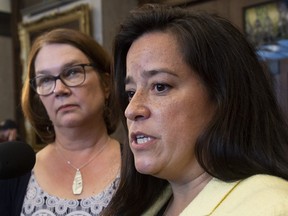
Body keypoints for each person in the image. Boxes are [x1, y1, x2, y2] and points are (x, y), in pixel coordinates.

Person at [102, 4, 288, 216]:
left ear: (222, 97)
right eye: (130, 92)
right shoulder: (143, 205)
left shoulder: (270, 206)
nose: (131, 109)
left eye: (160, 86)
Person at [0, 28, 121, 215]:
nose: (59, 89)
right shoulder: (15, 174)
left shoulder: (143, 166)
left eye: (72, 72)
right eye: (46, 79)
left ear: (106, 84)